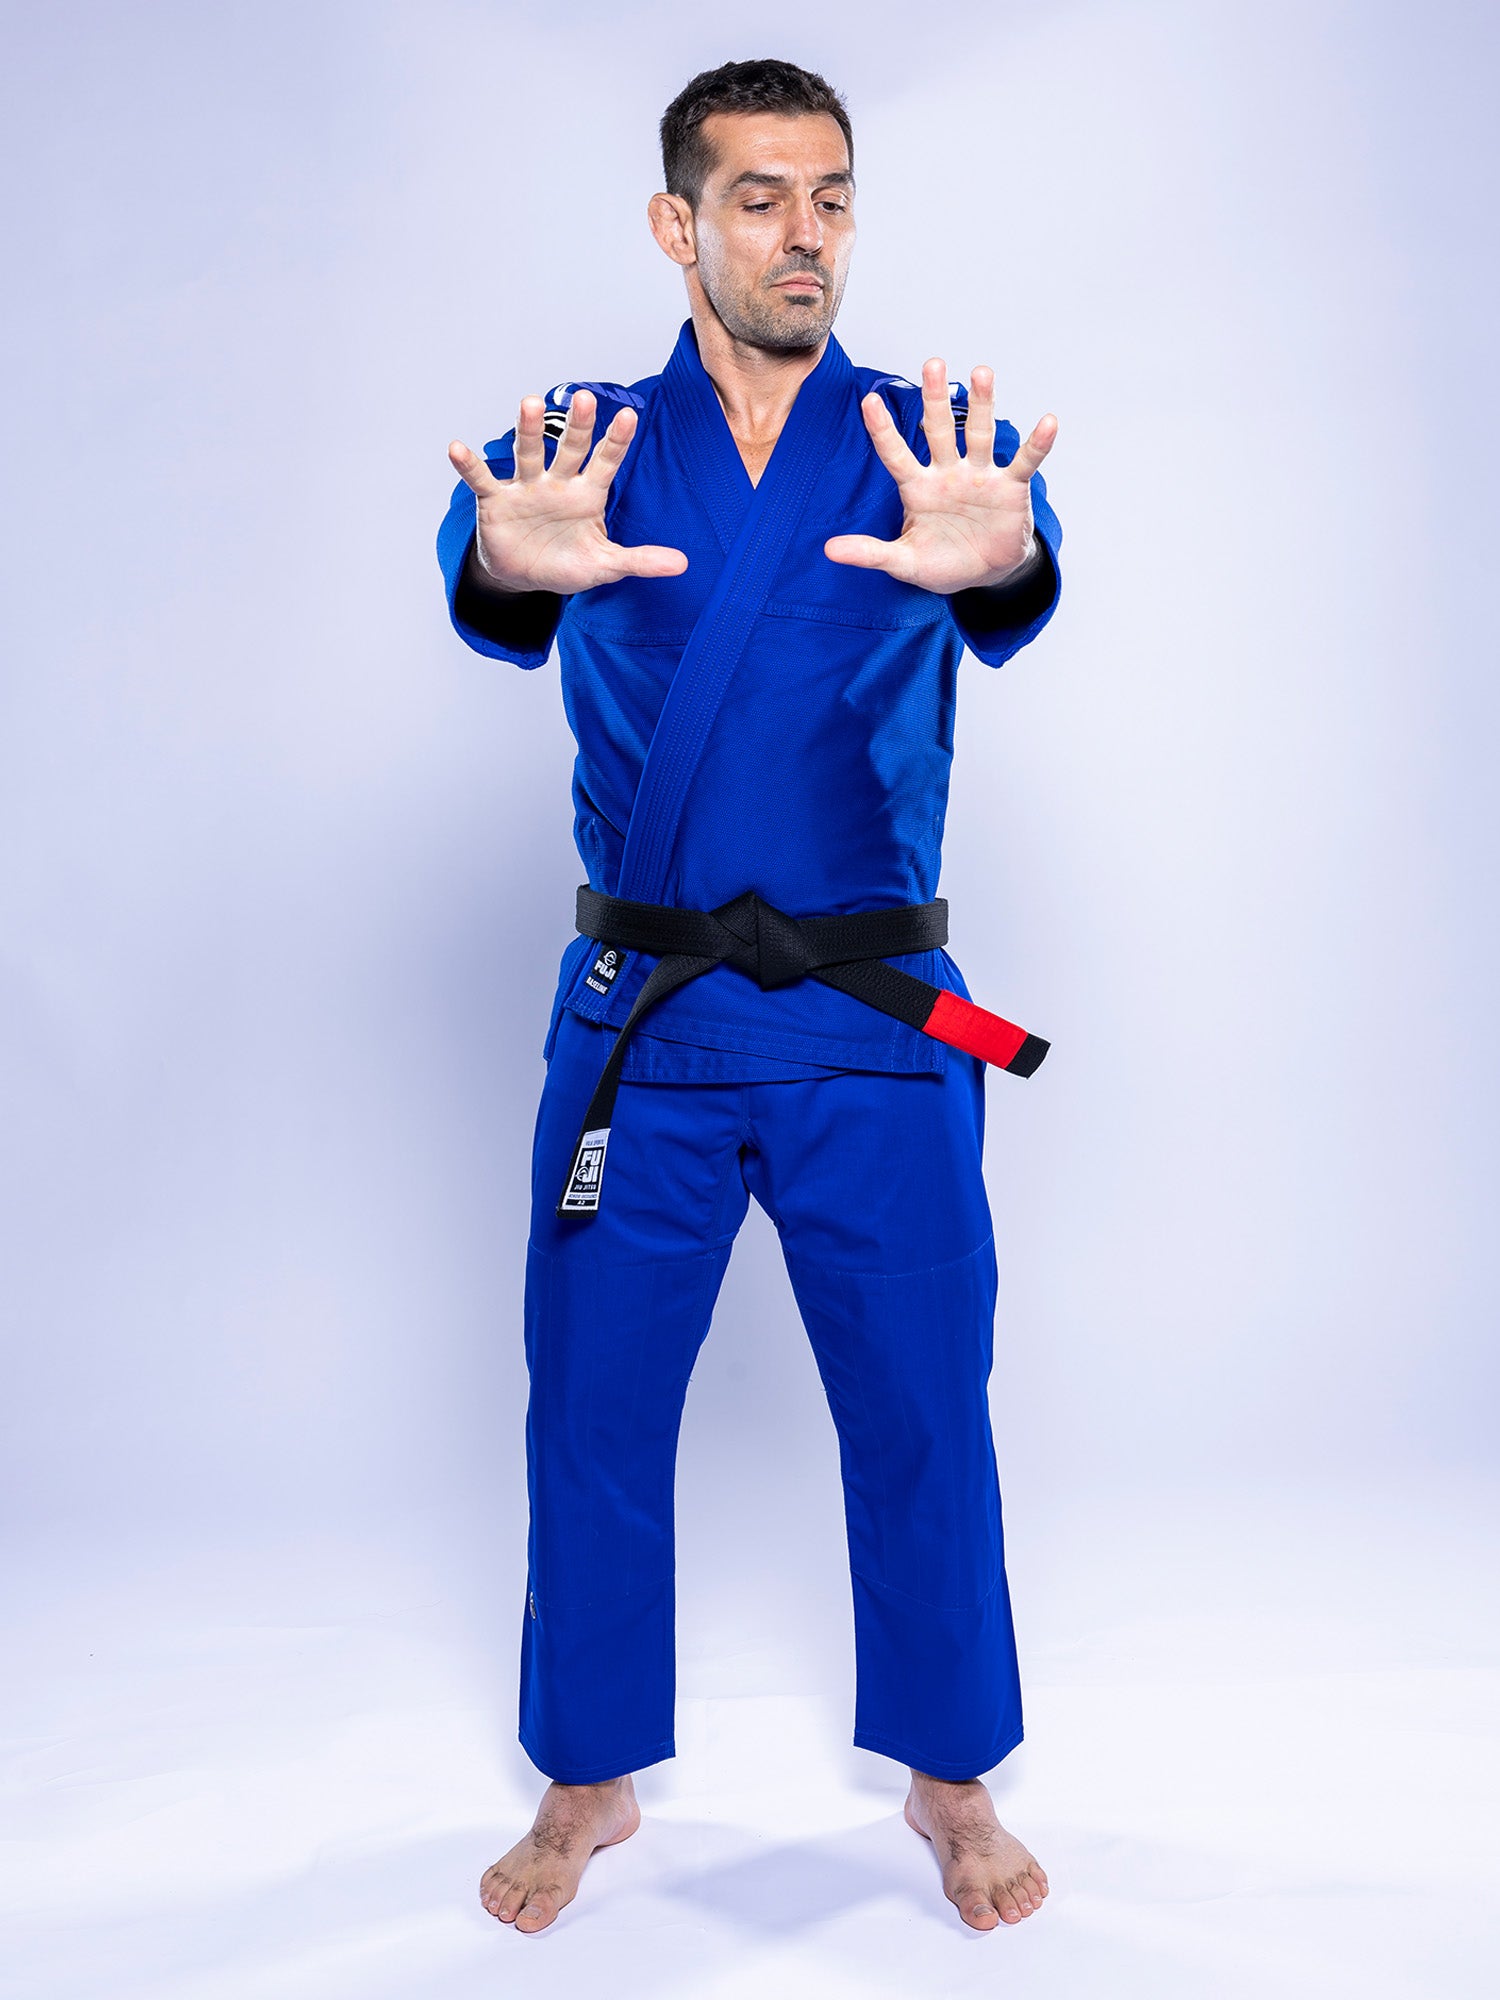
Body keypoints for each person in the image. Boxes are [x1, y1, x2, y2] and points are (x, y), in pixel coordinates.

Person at [437, 57, 1061, 1936]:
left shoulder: (925, 443)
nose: (808, 236)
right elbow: (500, 573)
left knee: (926, 1404)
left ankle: (953, 1781)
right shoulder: (587, 447)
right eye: (766, 198)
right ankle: (588, 1776)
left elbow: (1013, 559)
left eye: (836, 198)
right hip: (647, 1029)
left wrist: (1006, 549)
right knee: (595, 1404)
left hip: (879, 1028)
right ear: (678, 224)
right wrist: (495, 557)